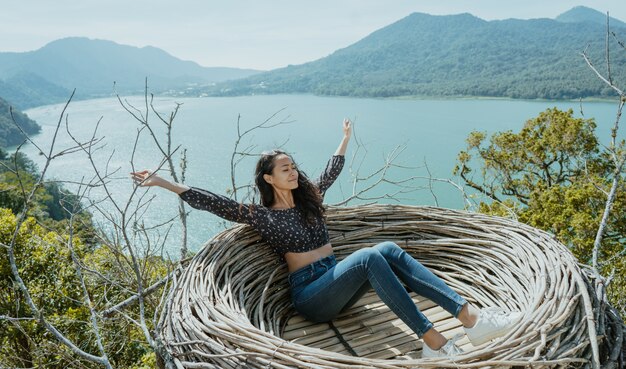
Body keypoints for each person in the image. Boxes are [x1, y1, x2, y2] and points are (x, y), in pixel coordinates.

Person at [130, 119, 522, 358]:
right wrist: (163, 182)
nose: (293, 172)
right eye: (284, 168)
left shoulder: (310, 201)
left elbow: (331, 170)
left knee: (384, 249)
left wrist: (345, 138)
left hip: (337, 284)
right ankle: (433, 342)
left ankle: (472, 319)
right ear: (268, 178)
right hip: (311, 297)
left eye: (293, 166)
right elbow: (212, 202)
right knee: (371, 256)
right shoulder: (262, 217)